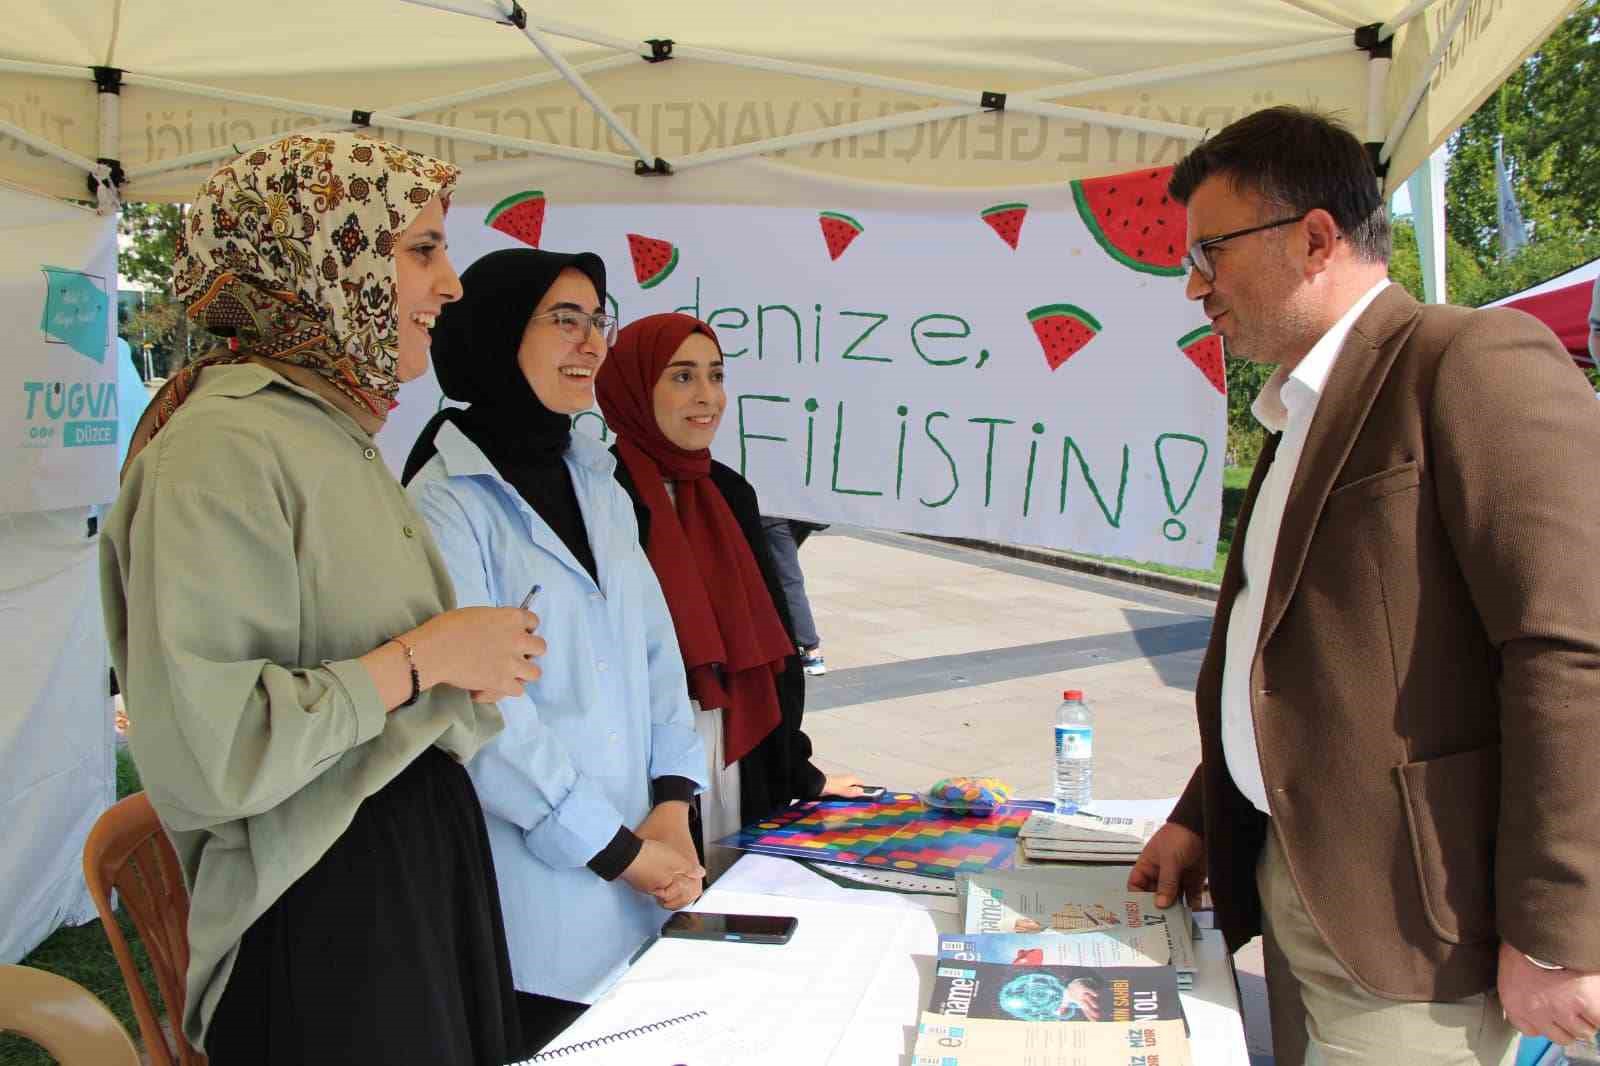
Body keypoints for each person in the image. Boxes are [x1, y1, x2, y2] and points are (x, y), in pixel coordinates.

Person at [1128, 106, 1600, 1066]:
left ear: (1313, 238)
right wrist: (1196, 811)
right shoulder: (1301, 409)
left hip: (1416, 928)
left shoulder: (1470, 361)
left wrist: (1557, 928)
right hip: (1289, 878)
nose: (1194, 287)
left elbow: (1570, 648)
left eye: (1212, 254)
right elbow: (1285, 655)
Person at [102, 132, 538, 1064]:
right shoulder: (221, 452)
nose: (451, 284)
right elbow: (213, 750)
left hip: (403, 869)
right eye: (420, 250)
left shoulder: (328, 427)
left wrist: (454, 666)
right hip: (324, 907)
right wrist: (427, 660)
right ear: (314, 260)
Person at [403, 251, 707, 1055]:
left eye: (596, 320)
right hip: (533, 895)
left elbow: (654, 649)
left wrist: (672, 805)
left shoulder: (595, 477)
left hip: (646, 853)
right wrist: (613, 851)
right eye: (564, 320)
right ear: (499, 334)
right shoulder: (443, 503)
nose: (592, 344)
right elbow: (481, 717)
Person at [594, 313, 862, 879]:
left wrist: (802, 775)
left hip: (739, 752)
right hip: (641, 764)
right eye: (682, 377)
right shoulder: (600, 494)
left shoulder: (730, 491)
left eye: (716, 375)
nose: (707, 397)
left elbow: (774, 653)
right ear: (634, 387)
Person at [759, 514, 828, 675]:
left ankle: (811, 650)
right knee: (784, 580)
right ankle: (807, 648)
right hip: (793, 518)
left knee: (787, 581)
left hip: (771, 519)